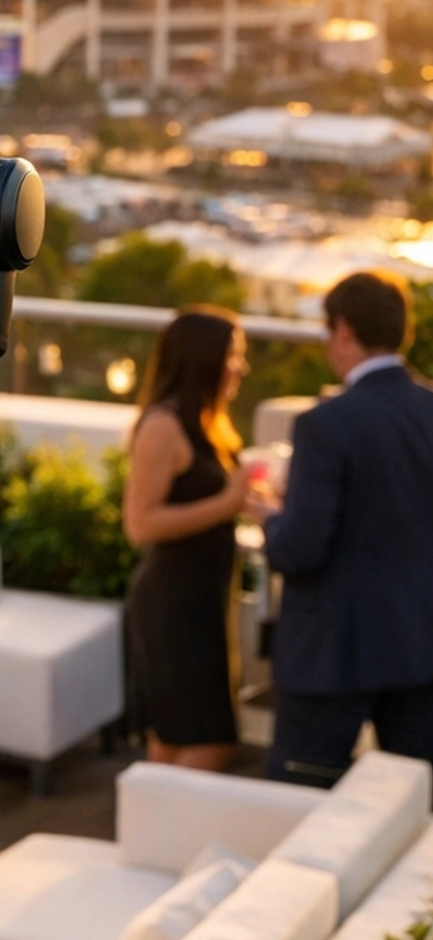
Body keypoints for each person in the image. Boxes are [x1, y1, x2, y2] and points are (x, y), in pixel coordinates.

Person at [263, 270, 433, 781]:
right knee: (414, 808)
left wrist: (269, 518)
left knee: (301, 806)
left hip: (332, 655)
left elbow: (299, 550)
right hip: (420, 646)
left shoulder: (325, 424)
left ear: (342, 330)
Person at [122, 307, 260, 770]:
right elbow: (139, 523)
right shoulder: (163, 426)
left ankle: (153, 836)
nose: (240, 367)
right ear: (203, 360)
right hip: (172, 606)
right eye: (232, 356)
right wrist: (228, 503)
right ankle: (168, 835)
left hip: (202, 602)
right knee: (208, 741)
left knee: (172, 740)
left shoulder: (207, 422)